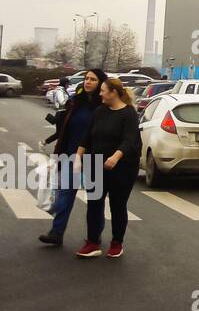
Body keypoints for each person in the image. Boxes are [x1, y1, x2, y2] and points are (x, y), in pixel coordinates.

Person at [75, 75, 141, 259]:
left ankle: (116, 243)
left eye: (103, 91)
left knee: (117, 205)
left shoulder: (128, 113)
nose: (101, 94)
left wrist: (116, 156)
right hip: (96, 164)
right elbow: (88, 136)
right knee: (94, 204)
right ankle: (92, 242)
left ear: (113, 93)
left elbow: (129, 140)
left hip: (122, 168)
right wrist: (78, 157)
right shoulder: (99, 111)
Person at [39, 70, 103, 247]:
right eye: (86, 79)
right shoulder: (76, 103)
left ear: (101, 83)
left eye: (93, 79)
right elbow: (64, 128)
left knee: (95, 200)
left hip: (93, 158)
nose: (88, 82)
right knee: (65, 194)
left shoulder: (103, 106)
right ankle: (56, 232)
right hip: (70, 155)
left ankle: (94, 236)